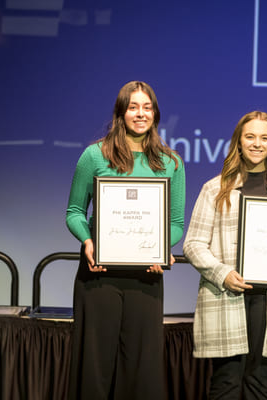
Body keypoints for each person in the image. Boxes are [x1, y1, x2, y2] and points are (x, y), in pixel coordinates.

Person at [183, 111, 267, 399]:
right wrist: (223, 274)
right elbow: (193, 244)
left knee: (262, 385)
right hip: (226, 296)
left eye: (264, 138)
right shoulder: (214, 188)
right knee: (226, 384)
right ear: (239, 142)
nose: (257, 143)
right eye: (250, 137)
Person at [65, 81, 185, 400]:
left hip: (146, 276)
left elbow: (175, 224)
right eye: (133, 107)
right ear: (121, 112)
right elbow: (75, 211)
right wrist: (88, 241)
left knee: (142, 372)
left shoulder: (170, 163)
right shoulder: (94, 155)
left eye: (147, 107)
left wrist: (162, 249)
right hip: (99, 274)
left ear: (155, 114)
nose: (140, 113)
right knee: (94, 368)